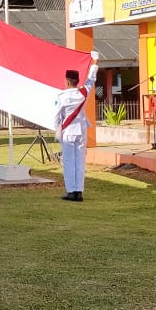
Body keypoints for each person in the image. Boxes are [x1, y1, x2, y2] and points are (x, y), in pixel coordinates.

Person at [53, 52, 100, 201]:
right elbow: (91, 79)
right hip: (81, 131)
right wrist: (95, 61)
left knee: (68, 162)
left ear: (67, 82)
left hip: (68, 132)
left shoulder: (62, 96)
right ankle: (79, 191)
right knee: (80, 162)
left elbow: (56, 117)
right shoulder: (83, 93)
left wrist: (57, 132)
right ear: (77, 81)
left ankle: (71, 191)